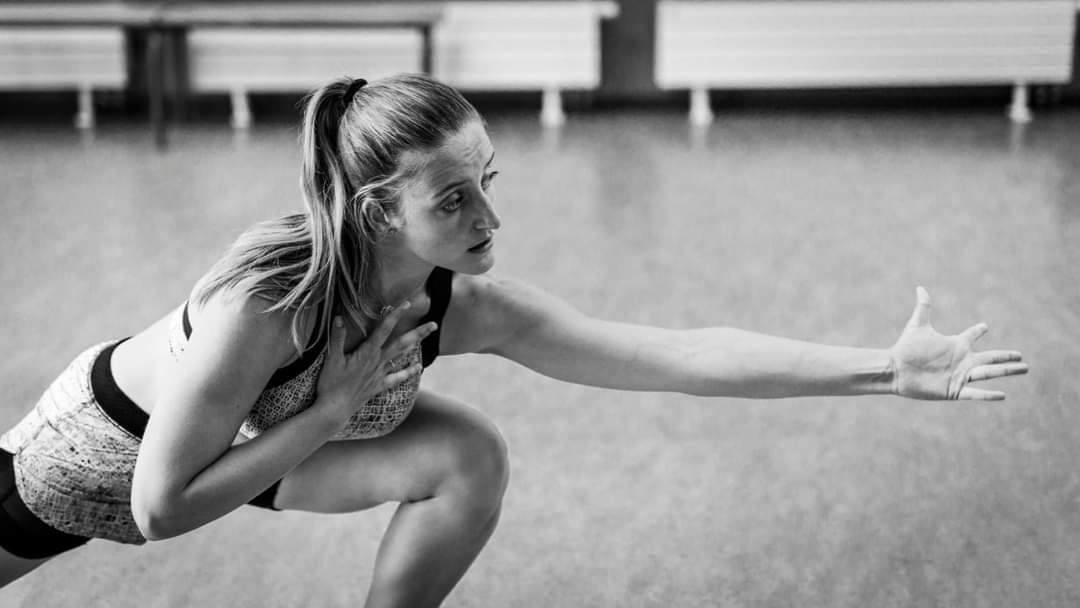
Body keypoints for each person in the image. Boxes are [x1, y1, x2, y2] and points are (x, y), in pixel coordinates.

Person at [0, 74, 1027, 607]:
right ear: (372, 211)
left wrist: (880, 369)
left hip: (258, 450)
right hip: (97, 455)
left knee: (469, 454)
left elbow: (671, 352)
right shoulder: (268, 303)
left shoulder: (460, 303)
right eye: (454, 198)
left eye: (488, 179)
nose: (488, 219)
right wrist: (321, 409)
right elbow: (161, 505)